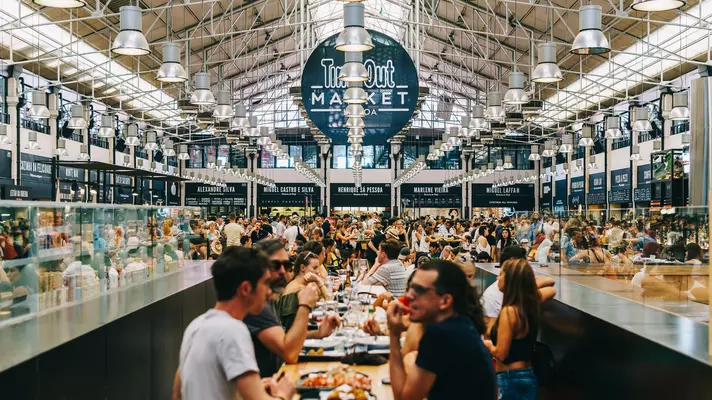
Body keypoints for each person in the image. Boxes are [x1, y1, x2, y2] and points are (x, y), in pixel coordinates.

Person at [173, 246, 295, 400]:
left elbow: (178, 394)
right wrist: (284, 394)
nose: (269, 292)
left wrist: (253, 388)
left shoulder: (195, 326)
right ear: (245, 288)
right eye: (265, 283)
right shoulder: (233, 330)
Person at [387, 260, 496, 400]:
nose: (409, 296)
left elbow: (403, 398)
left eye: (419, 291)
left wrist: (394, 335)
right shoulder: (461, 325)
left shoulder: (441, 334)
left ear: (445, 301)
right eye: (411, 288)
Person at [244, 240, 340, 377]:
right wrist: (305, 305)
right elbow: (289, 353)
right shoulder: (256, 306)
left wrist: (318, 333)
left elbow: (285, 338)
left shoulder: (267, 300)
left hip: (276, 377)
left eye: (286, 265)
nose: (283, 271)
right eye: (275, 265)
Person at [483, 259, 541, 400]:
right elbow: (551, 288)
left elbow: (501, 354)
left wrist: (487, 345)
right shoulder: (528, 304)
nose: (497, 278)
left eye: (501, 274)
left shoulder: (509, 312)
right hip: (527, 374)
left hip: (511, 377)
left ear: (511, 280)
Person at [481, 246, 556, 329]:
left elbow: (550, 283)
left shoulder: (519, 299)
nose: (497, 278)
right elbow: (489, 331)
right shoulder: (492, 295)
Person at [278, 252, 329, 330]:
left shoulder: (305, 286)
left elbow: (329, 303)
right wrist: (319, 281)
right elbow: (291, 329)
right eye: (314, 268)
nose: (318, 271)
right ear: (302, 268)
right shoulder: (294, 291)